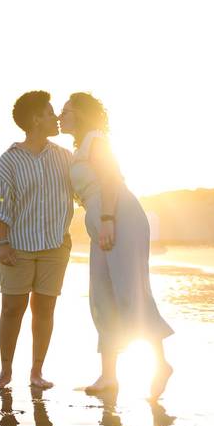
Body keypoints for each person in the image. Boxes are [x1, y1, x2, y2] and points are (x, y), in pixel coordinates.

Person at [57, 92, 174, 400]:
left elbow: (110, 179)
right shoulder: (80, 148)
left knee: (130, 291)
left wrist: (107, 218)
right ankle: (108, 376)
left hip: (118, 215)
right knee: (101, 297)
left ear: (81, 113)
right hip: (101, 221)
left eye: (66, 110)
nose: (60, 115)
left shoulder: (97, 140)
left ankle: (160, 365)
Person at [0, 91, 74, 391]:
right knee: (12, 309)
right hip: (18, 247)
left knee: (45, 310)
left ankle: (37, 372)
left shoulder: (65, 157)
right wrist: (3, 244)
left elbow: (86, 187)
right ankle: (5, 371)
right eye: (51, 113)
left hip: (54, 246)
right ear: (36, 119)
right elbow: (0, 206)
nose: (57, 118)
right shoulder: (9, 160)